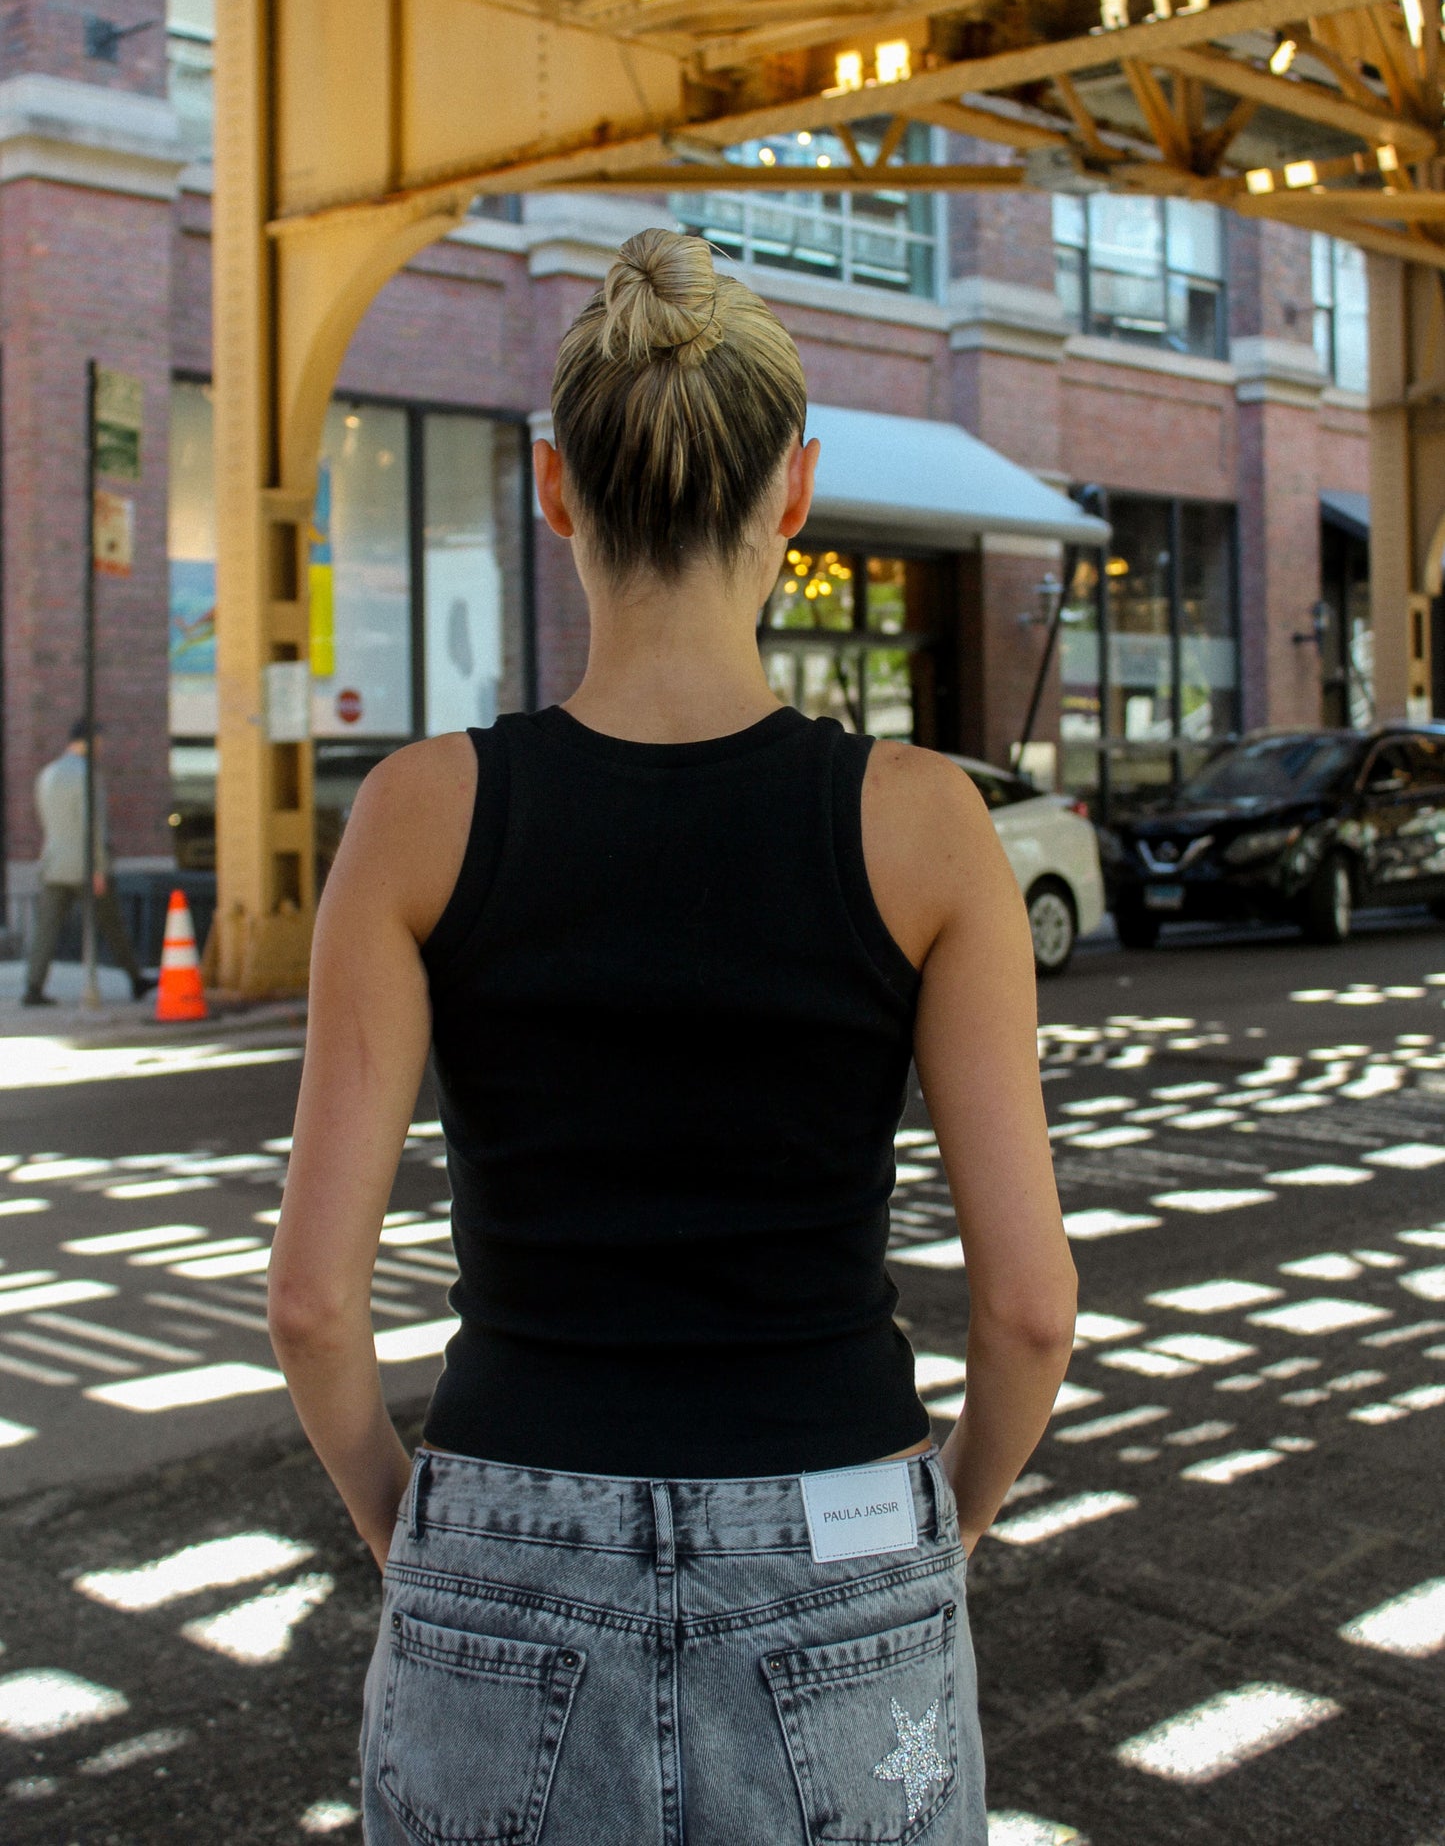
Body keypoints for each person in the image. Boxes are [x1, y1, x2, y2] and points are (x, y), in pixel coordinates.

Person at [269, 230, 1077, 1846]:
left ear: (558, 488)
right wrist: (940, 1526)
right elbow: (1029, 1308)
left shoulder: (425, 812)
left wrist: (413, 1521)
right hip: (840, 1514)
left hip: (502, 1505)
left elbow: (312, 1299)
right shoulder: (924, 828)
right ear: (795, 494)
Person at [23, 720, 152, 1006]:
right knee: (112, 923)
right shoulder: (86, 775)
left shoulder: (48, 773)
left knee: (47, 929)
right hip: (85, 863)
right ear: (89, 740)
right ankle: (136, 979)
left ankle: (33, 987)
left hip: (54, 862)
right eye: (100, 743)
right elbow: (92, 824)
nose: (101, 749)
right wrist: (98, 866)